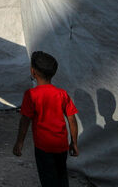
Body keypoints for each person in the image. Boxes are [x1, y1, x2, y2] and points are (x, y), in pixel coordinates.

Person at [13, 51, 80, 187]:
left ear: (33, 72)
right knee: (61, 176)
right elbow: (72, 120)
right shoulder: (62, 94)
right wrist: (74, 143)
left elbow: (25, 120)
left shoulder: (31, 95)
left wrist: (19, 142)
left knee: (48, 179)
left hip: (43, 146)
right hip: (61, 145)